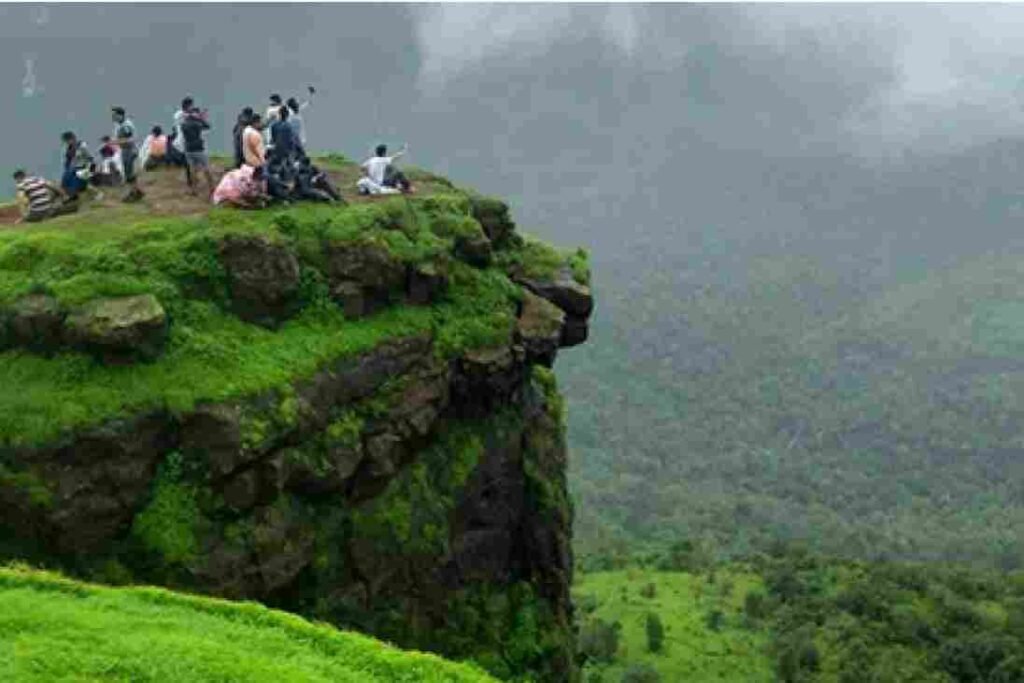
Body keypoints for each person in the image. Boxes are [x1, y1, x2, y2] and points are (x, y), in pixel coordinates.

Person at [12, 169, 78, 223]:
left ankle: (31, 218)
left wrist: (24, 216)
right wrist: (65, 196)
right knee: (51, 192)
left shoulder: (21, 185)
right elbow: (53, 185)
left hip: (37, 213)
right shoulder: (37, 179)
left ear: (18, 178)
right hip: (49, 209)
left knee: (24, 219)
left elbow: (20, 200)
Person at [111, 106, 144, 202]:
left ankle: (134, 192)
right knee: (128, 173)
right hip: (124, 150)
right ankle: (135, 191)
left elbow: (129, 140)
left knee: (130, 173)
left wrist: (115, 142)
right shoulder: (119, 125)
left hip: (129, 150)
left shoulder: (126, 126)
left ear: (120, 115)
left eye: (114, 115)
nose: (113, 117)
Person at [180, 107, 214, 195]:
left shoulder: (184, 123)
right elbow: (207, 126)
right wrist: (201, 118)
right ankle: (212, 188)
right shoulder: (196, 123)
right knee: (206, 168)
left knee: (192, 170)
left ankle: (194, 190)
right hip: (198, 149)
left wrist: (195, 117)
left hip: (188, 149)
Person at [59, 131, 97, 201]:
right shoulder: (69, 150)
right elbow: (68, 164)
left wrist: (90, 171)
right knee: (66, 178)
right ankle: (71, 195)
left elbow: (91, 159)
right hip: (76, 170)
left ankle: (75, 194)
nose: (67, 143)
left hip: (88, 169)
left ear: (72, 139)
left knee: (75, 177)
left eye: (67, 140)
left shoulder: (82, 146)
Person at [286, 86, 315, 150]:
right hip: (292, 137)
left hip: (299, 136)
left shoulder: (298, 111)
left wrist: (311, 94)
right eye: (295, 103)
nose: (296, 103)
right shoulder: (289, 113)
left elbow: (308, 103)